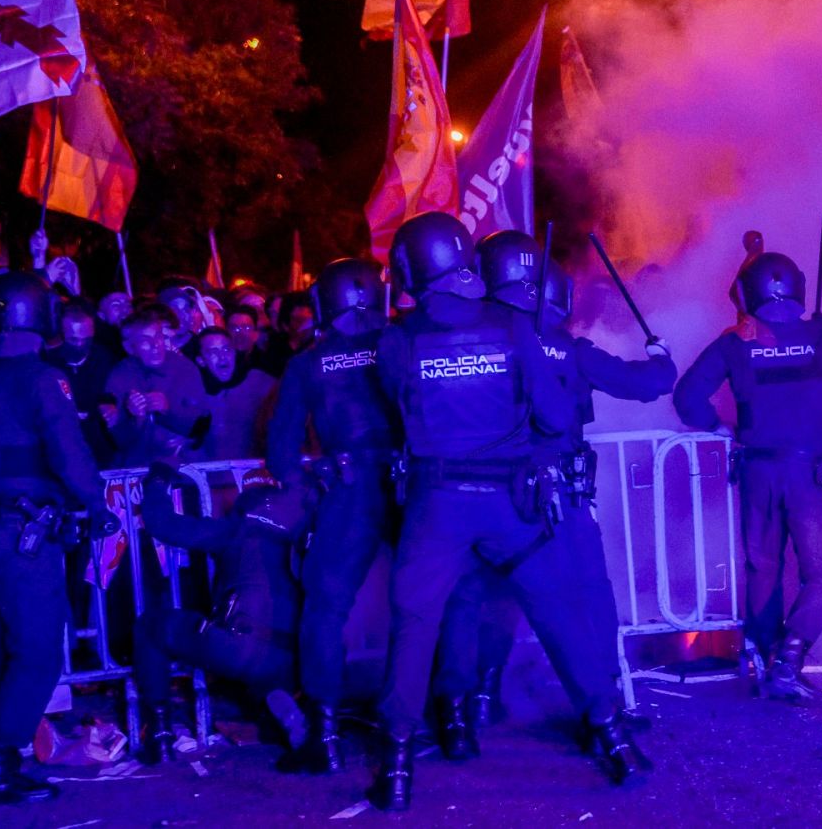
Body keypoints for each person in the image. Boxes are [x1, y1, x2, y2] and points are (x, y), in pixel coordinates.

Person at [370, 213, 648, 812]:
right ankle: (613, 739)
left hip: (436, 507)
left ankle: (396, 766)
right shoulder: (513, 322)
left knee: (415, 625)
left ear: (413, 270)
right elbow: (552, 416)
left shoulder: (397, 339)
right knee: (559, 616)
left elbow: (403, 414)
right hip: (510, 504)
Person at [434, 231, 677, 753]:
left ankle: (474, 703)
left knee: (481, 595)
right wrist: (662, 357)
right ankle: (603, 707)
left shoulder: (470, 339)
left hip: (482, 496)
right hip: (559, 496)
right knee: (585, 592)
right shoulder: (567, 347)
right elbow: (647, 384)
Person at [0, 271, 118, 804]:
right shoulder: (41, 377)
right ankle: (0, 762)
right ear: (37, 316)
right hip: (24, 535)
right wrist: (97, 504)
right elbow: (68, 449)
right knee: (39, 649)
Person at [673, 250, 822, 703]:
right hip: (809, 473)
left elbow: (688, 396)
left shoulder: (735, 341)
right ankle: (789, 661)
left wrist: (719, 428)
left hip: (758, 471)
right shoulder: (821, 333)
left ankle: (769, 662)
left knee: (763, 568)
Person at [265, 257, 398, 773]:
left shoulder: (308, 363)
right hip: (415, 483)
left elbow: (281, 449)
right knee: (436, 598)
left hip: (349, 488)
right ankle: (454, 717)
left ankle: (323, 736)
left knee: (325, 608)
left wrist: (309, 478)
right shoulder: (401, 343)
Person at [132, 463, 308, 764]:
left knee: (151, 627)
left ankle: (159, 731)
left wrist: (157, 482)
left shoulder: (234, 531)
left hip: (235, 640)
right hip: (285, 653)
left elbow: (161, 523)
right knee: (264, 678)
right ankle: (284, 707)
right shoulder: (300, 538)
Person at [104, 306, 210, 467]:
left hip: (183, 466)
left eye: (159, 337)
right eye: (145, 341)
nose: (156, 345)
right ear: (129, 348)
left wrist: (169, 410)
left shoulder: (183, 367)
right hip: (137, 469)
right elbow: (118, 441)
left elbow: (201, 426)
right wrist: (135, 418)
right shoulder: (119, 376)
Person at [44, 302, 118, 467]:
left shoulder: (104, 359)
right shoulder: (48, 363)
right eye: (74, 339)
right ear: (62, 335)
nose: (80, 345)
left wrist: (112, 406)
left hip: (101, 447)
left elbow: (113, 393)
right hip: (62, 448)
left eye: (87, 339)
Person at [195, 327, 276, 461]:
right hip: (211, 476)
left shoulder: (258, 382)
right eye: (213, 352)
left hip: (255, 475)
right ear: (201, 360)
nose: (222, 356)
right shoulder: (194, 391)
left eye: (226, 349)